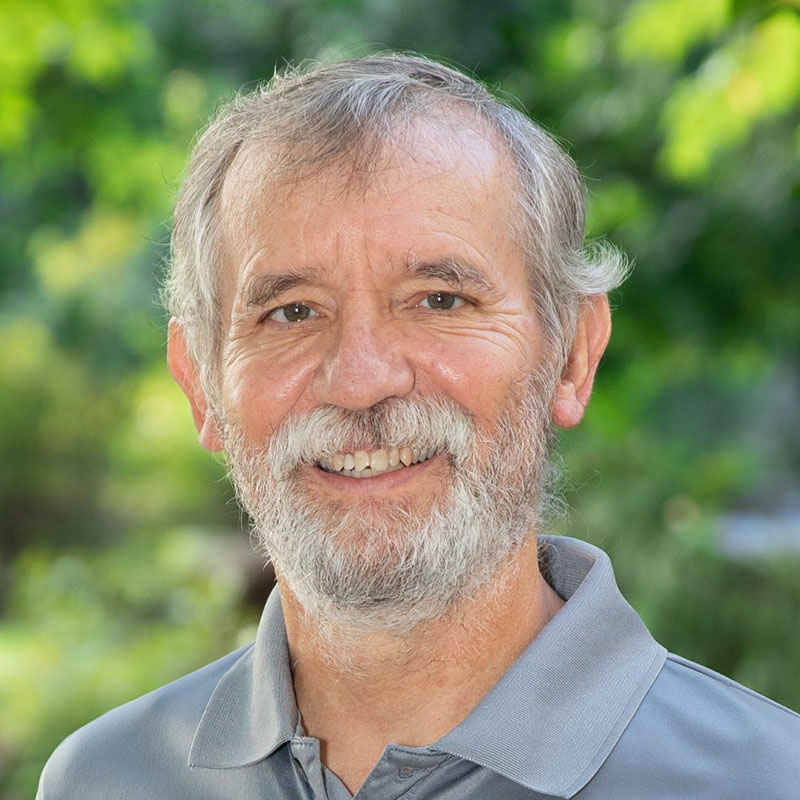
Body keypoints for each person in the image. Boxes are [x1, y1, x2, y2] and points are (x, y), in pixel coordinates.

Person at [37, 54, 798, 800]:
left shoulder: (767, 782)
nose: (362, 379)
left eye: (440, 299)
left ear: (572, 354)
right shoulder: (103, 783)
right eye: (292, 312)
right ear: (201, 384)